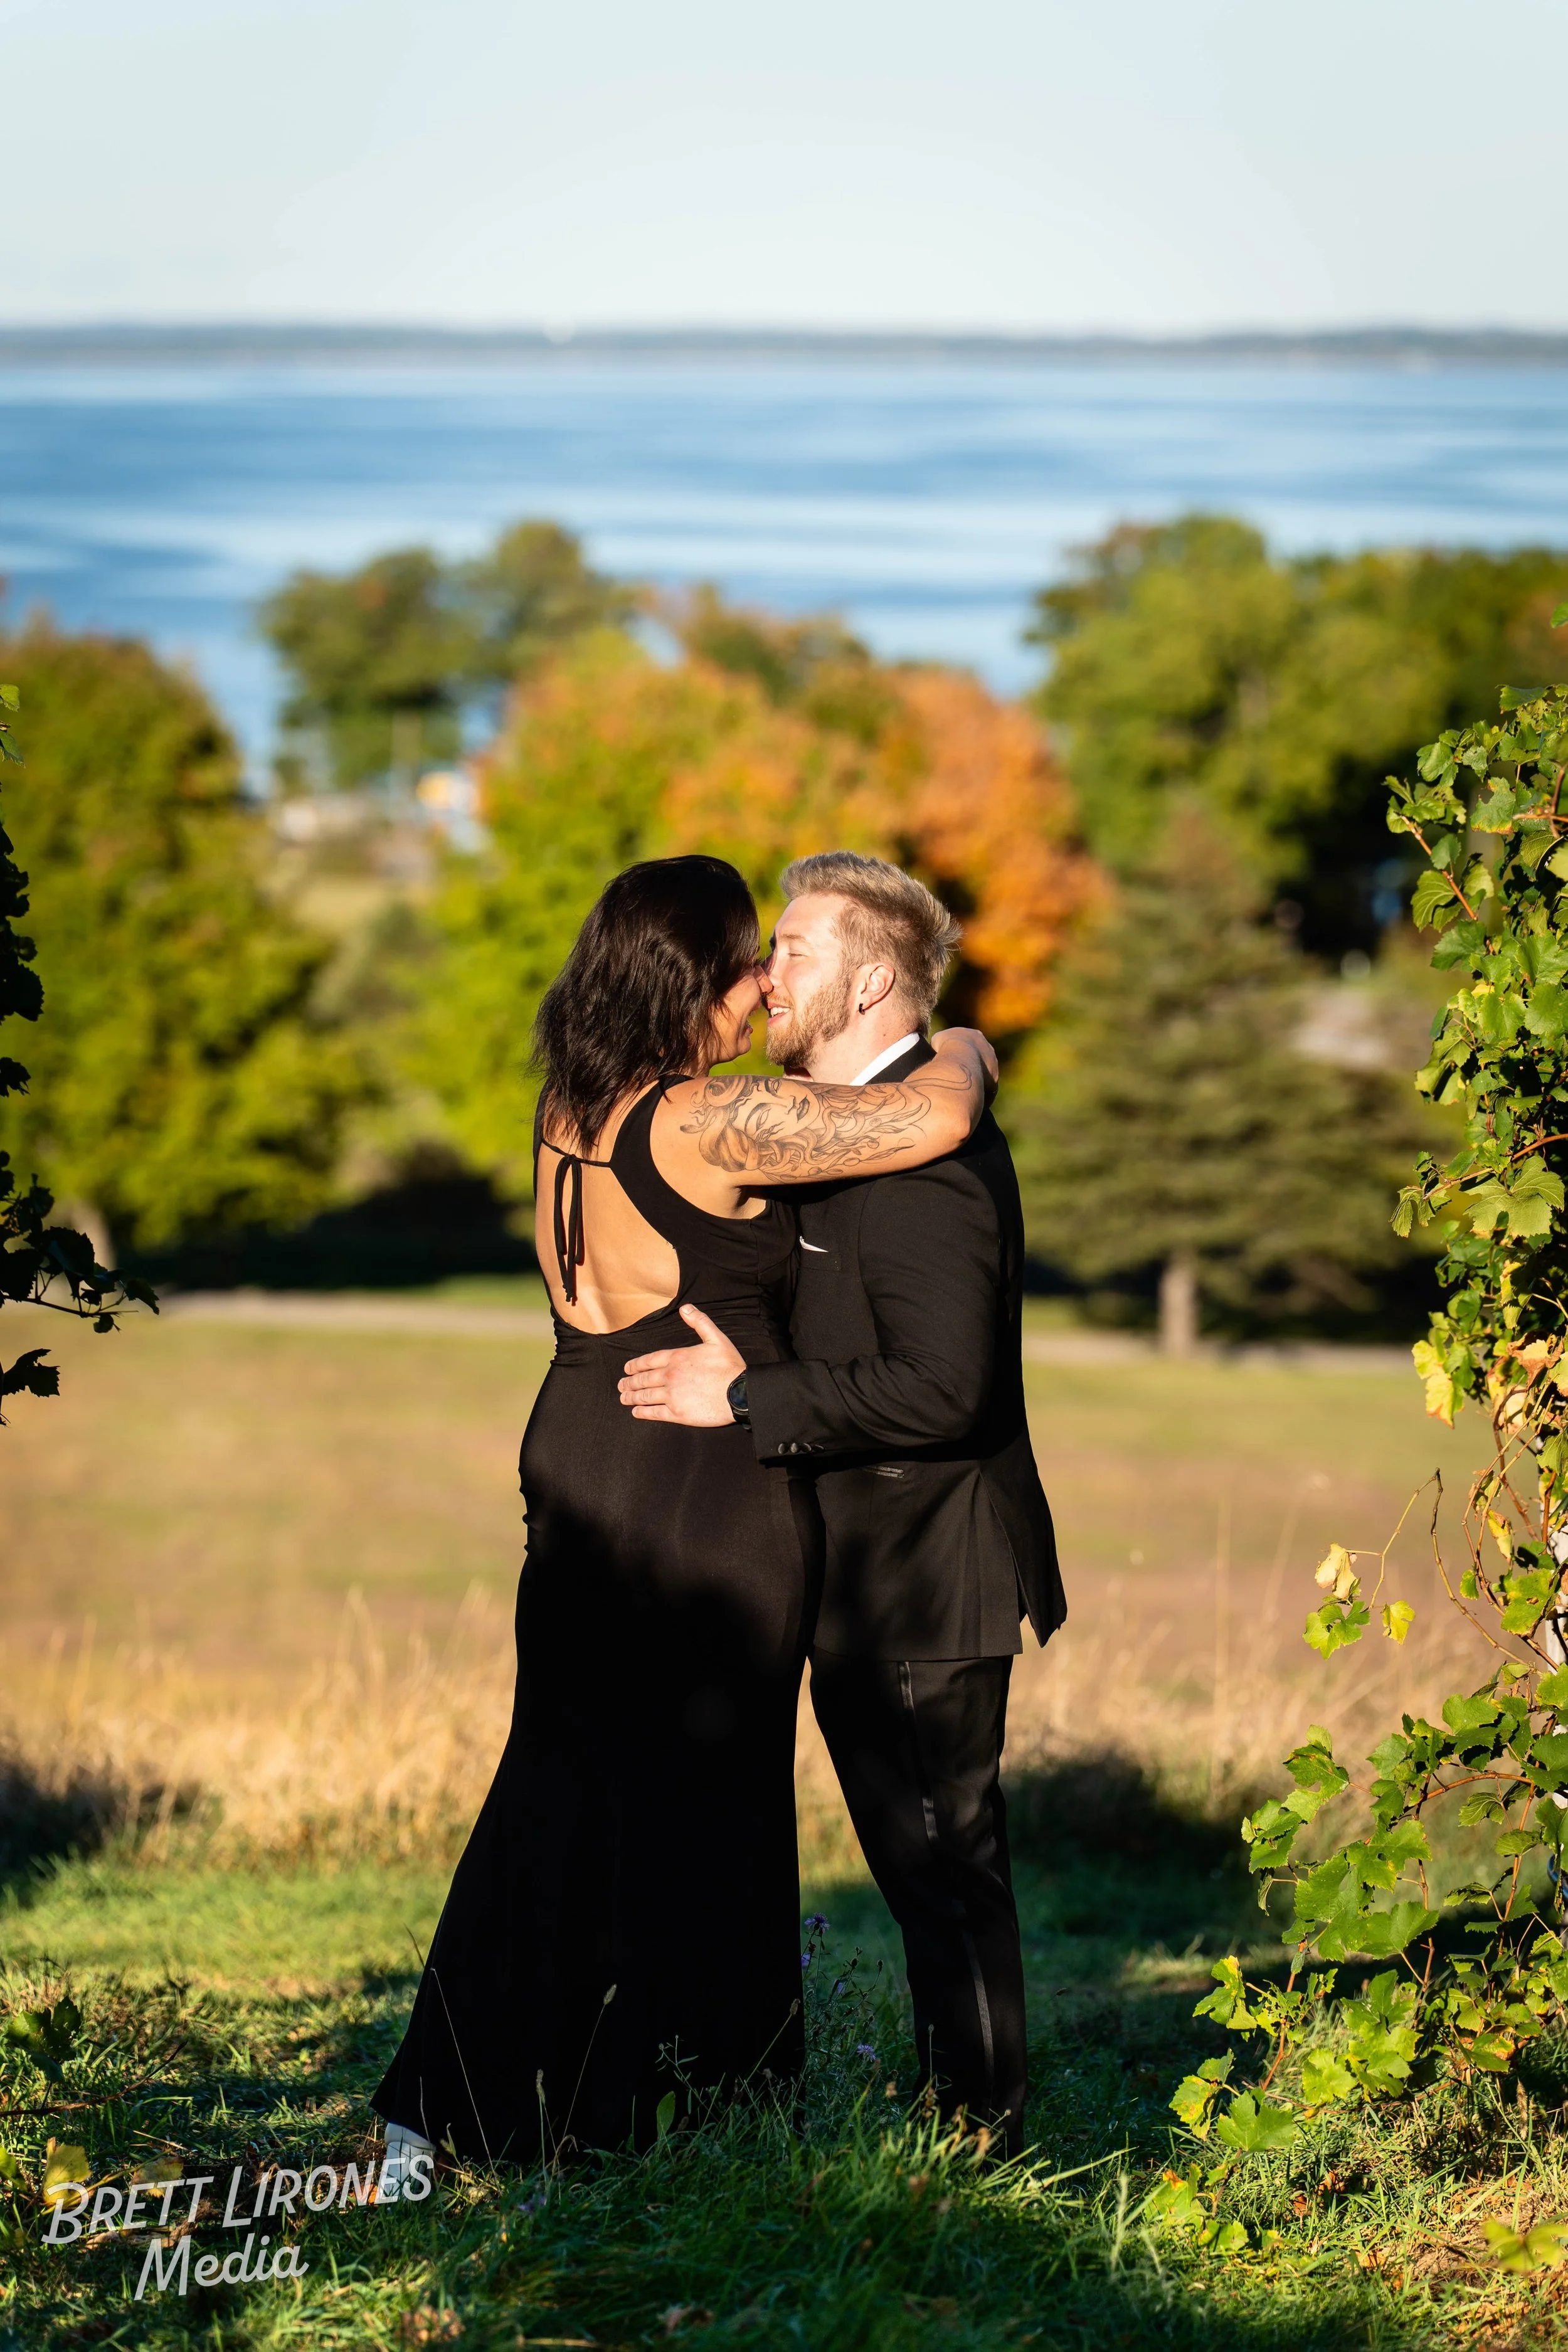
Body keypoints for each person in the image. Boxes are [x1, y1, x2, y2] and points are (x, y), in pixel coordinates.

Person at [373, 854, 998, 2171]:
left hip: (578, 1445)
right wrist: (967, 1043)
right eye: (747, 963)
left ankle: (445, 2108)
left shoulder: (568, 1105)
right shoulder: (706, 1120)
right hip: (692, 1470)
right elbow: (927, 1122)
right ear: (695, 983)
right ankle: (688, 2109)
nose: (767, 982)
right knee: (704, 1789)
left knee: (556, 1774)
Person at [618, 851, 1063, 2157]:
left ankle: (983, 2146)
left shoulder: (927, 1168)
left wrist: (747, 1400)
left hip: (925, 1571)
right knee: (909, 1862)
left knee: (940, 1869)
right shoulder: (846, 1123)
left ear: (872, 977)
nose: (766, 975)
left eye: (796, 948)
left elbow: (943, 1391)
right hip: (851, 1564)